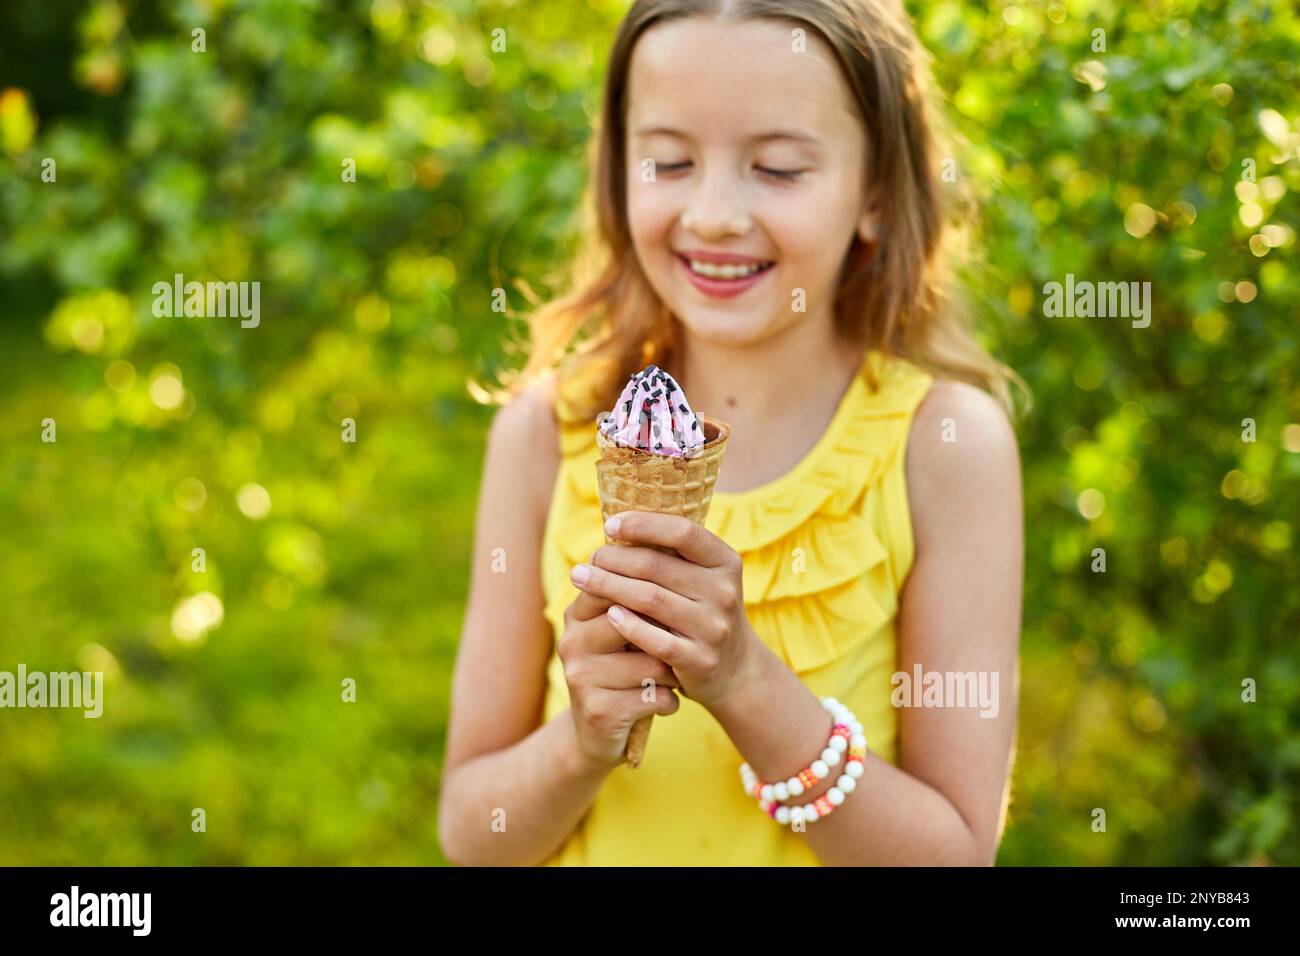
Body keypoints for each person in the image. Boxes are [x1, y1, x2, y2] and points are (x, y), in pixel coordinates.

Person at [439, 0, 1024, 866]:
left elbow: (953, 854)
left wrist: (747, 683)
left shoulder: (944, 447)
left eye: (780, 169)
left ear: (875, 195)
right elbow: (470, 833)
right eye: (669, 160)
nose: (713, 214)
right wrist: (582, 739)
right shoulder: (543, 433)